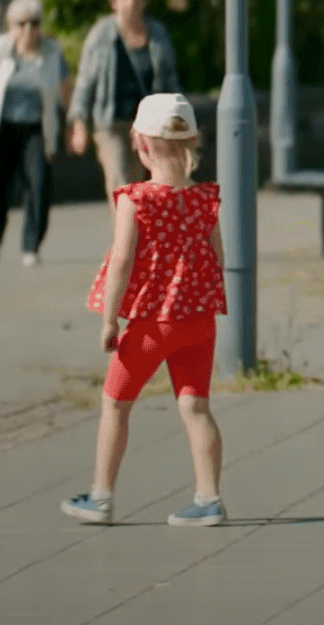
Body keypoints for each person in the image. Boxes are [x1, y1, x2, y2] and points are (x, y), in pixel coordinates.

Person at [61, 92, 231, 528]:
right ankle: (209, 498)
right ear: (190, 143)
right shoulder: (205, 199)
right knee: (196, 408)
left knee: (116, 403)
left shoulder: (135, 199)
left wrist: (109, 318)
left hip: (152, 324)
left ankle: (101, 497)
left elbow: (121, 261)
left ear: (140, 144)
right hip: (198, 321)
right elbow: (218, 257)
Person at [0, 0, 69, 268]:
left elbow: (65, 89)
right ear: (11, 26)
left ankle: (31, 246)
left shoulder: (51, 53)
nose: (28, 30)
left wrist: (73, 122)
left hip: (35, 127)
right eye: (21, 24)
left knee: (39, 184)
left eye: (34, 23)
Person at [67, 0, 183, 194]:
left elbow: (169, 79)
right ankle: (124, 228)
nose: (131, 3)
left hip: (148, 124)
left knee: (141, 185)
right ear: (114, 2)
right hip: (111, 123)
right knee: (120, 181)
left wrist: (180, 116)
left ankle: (133, 228)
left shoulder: (157, 34)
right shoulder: (101, 34)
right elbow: (84, 82)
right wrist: (79, 123)